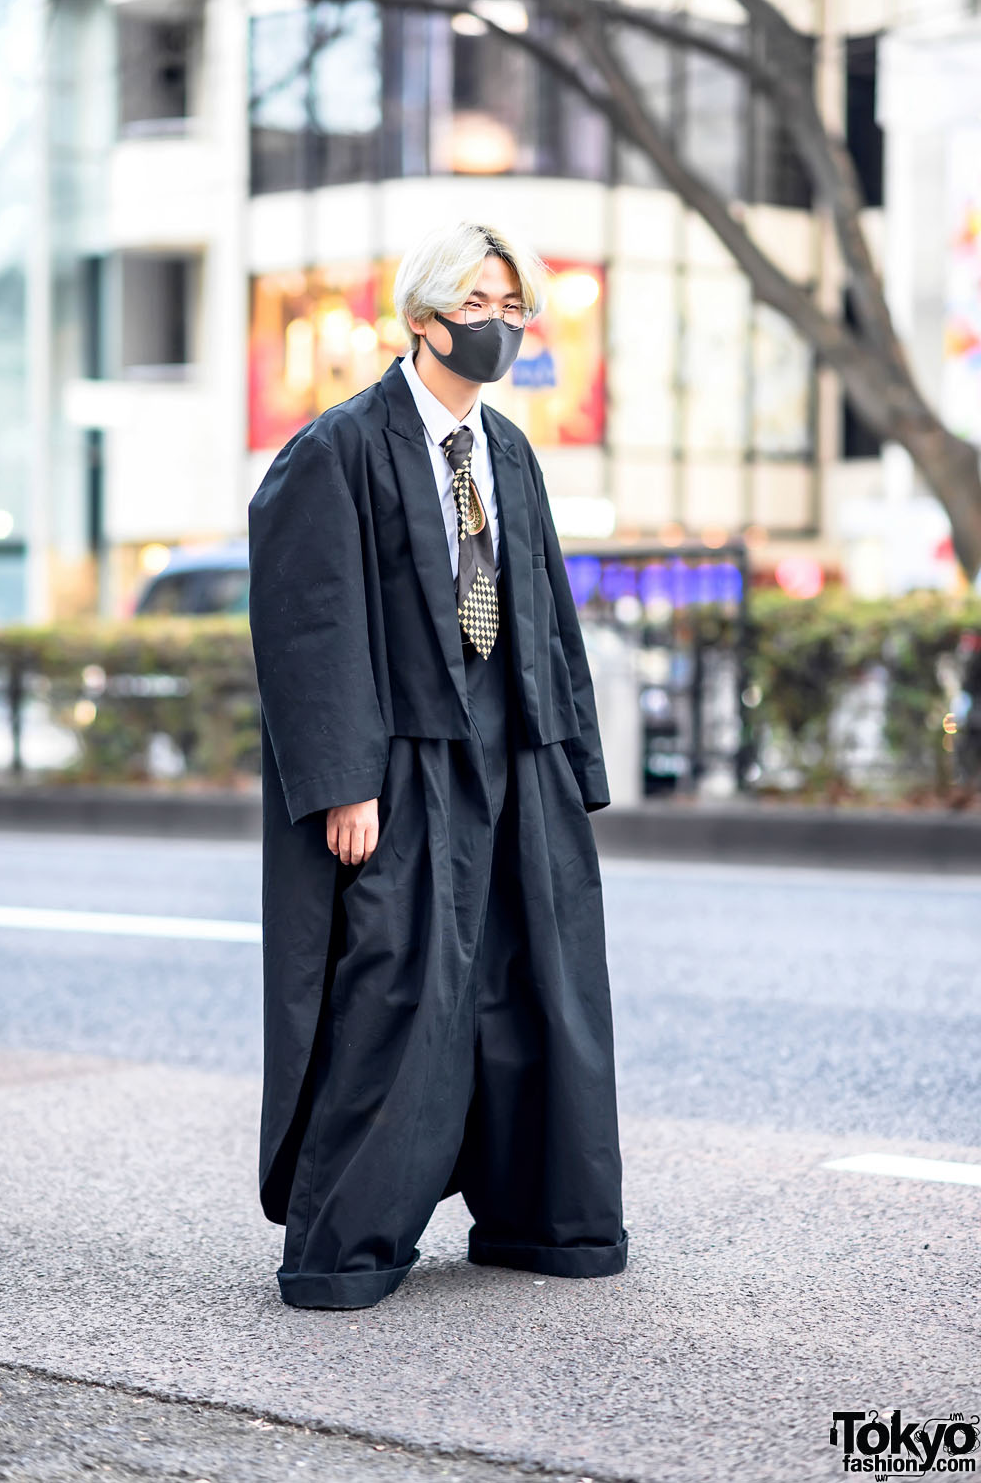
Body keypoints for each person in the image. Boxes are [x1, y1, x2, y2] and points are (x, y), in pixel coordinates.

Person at [247, 218, 628, 1310]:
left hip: (517, 755)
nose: (498, 327)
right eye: (477, 308)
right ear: (421, 320)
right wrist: (340, 782)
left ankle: (542, 1222)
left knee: (534, 984)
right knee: (398, 988)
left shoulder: (504, 449)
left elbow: (546, 611)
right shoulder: (337, 448)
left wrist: (572, 765)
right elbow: (310, 626)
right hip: (402, 765)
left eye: (514, 311)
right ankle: (348, 1246)